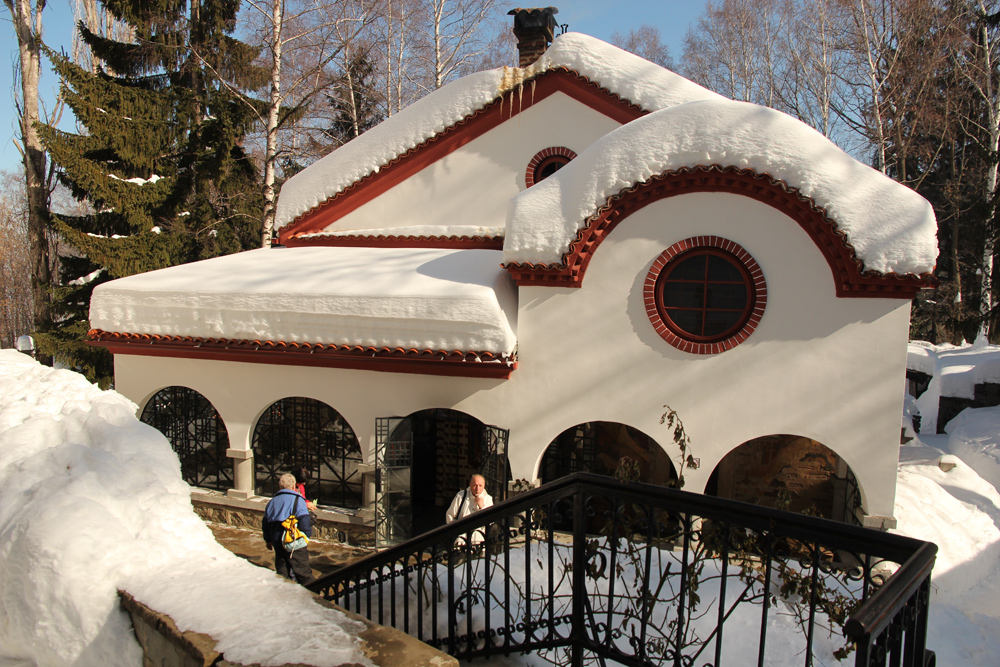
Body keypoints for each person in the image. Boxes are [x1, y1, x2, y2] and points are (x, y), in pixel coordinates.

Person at [262, 473, 315, 586]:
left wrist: (268, 540)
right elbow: (304, 522)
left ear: (280, 487)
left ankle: (284, 593)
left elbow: (265, 523)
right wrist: (305, 537)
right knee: (303, 572)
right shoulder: (298, 500)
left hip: (276, 539)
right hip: (293, 540)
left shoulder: (271, 502)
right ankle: (312, 595)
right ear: (293, 486)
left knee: (282, 570)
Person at [446, 474, 493, 544]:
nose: (477, 489)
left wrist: (482, 508)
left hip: (478, 542)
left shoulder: (488, 499)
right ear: (470, 484)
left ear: (484, 486)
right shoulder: (461, 496)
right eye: (475, 485)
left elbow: (490, 522)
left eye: (480, 486)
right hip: (461, 542)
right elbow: (450, 515)